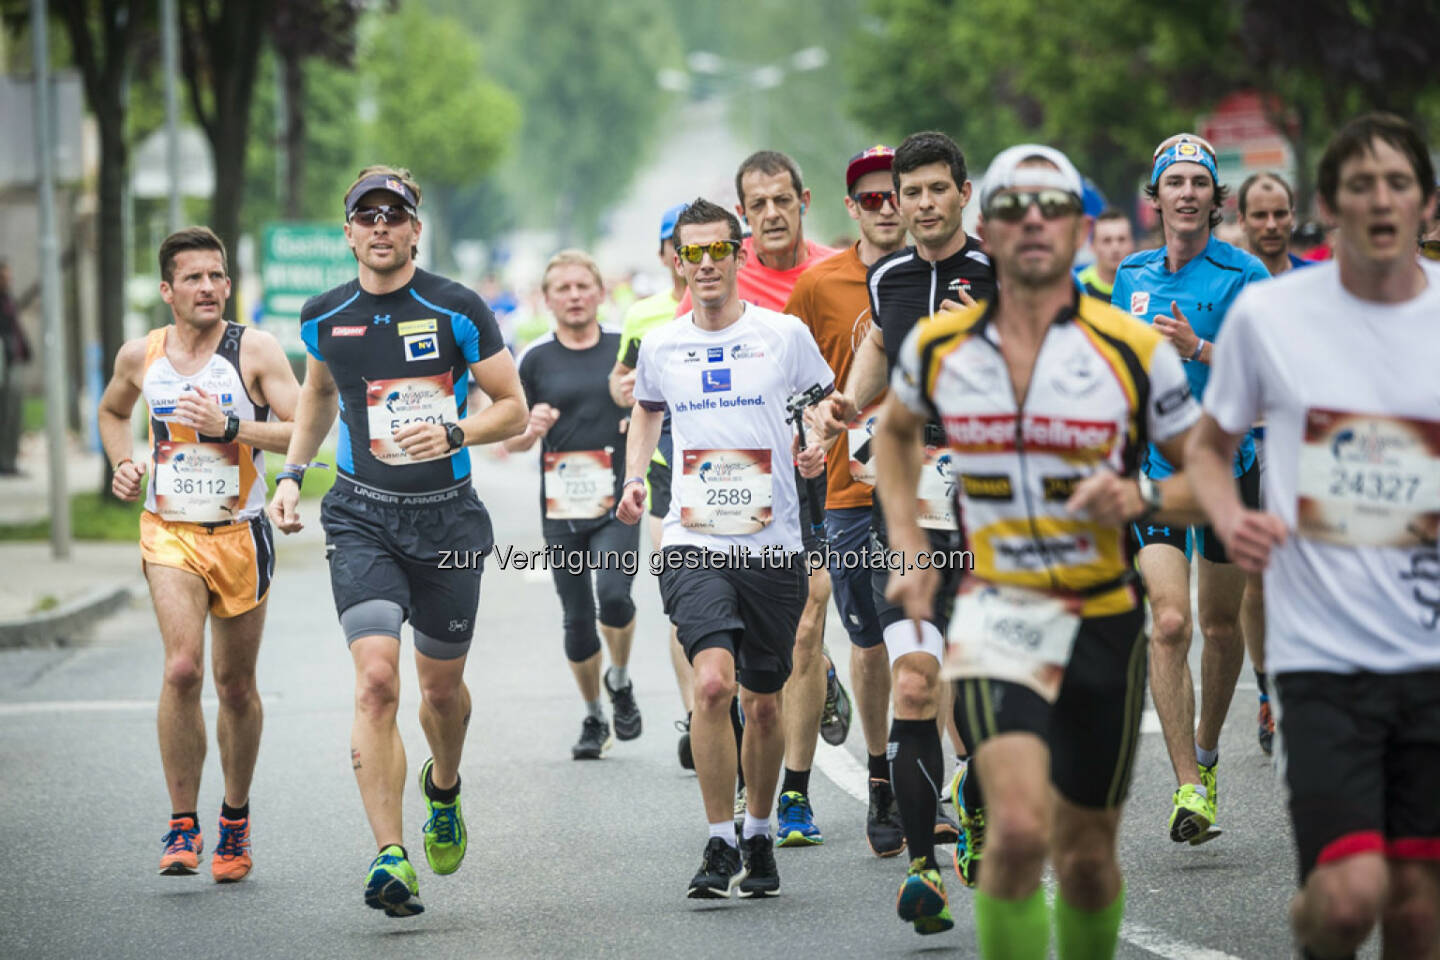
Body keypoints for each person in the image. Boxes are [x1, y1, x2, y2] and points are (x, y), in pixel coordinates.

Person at [881, 143, 1203, 959]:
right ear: (986, 226)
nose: (1033, 224)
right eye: (1014, 209)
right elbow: (892, 434)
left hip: (1102, 614)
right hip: (1003, 612)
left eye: (1051, 208)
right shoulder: (940, 347)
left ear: (1078, 226)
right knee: (1018, 835)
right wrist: (910, 544)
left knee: (1089, 860)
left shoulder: (1133, 348)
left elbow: (1211, 475)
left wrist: (1145, 497)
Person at [1187, 112, 1440, 960]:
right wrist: (1229, 516)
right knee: (1346, 899)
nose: (1381, 199)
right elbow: (1211, 448)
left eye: (1398, 183)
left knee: (1416, 911)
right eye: (1360, 184)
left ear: (1425, 203)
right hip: (1321, 658)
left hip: (1430, 653)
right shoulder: (1273, 318)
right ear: (1327, 206)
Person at [268, 166, 527, 917]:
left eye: (395, 214)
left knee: (440, 692)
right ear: (347, 231)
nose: (381, 226)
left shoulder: (456, 307)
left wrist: (456, 428)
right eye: (366, 215)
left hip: (447, 517)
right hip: (361, 516)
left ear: (416, 229)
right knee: (377, 679)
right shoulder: (325, 316)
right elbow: (317, 394)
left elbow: (511, 408)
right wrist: (290, 475)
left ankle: (442, 786)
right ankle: (390, 855)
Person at [617, 198, 832, 900]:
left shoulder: (784, 334)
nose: (706, 264)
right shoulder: (661, 344)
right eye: (693, 252)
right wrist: (632, 480)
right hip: (691, 535)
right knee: (712, 684)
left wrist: (818, 444)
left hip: (772, 542)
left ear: (738, 256)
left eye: (719, 251)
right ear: (678, 260)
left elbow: (822, 405)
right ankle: (718, 840)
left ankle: (760, 833)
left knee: (763, 702)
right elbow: (647, 409)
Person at [814, 130, 994, 928]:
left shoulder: (999, 277)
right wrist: (849, 404)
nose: (918, 204)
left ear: (962, 193)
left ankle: (981, 799)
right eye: (906, 192)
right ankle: (925, 870)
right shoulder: (886, 277)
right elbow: (881, 350)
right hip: (906, 516)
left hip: (987, 514)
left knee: (984, 694)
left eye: (932, 190)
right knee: (916, 683)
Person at [96, 226, 299, 883]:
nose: (208, 287)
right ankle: (182, 823)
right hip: (170, 531)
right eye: (193, 278)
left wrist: (232, 427)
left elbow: (305, 429)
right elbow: (110, 411)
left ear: (229, 286)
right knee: (182, 668)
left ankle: (233, 822)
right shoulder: (142, 356)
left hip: (240, 533)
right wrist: (123, 463)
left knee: (233, 686)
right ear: (167, 291)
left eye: (216, 276)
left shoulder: (255, 351)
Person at [679, 152, 853, 814]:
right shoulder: (721, 273)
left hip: (822, 467)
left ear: (803, 200)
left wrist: (826, 436)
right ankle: (807, 691)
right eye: (759, 205)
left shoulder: (834, 271)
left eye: (783, 200)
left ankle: (795, 792)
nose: (773, 214)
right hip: (742, 483)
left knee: (810, 617)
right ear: (743, 216)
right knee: (784, 634)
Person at [1109, 133, 1269, 846]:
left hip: (1230, 469)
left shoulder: (1244, 275)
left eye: (1198, 182)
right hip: (1155, 472)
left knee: (1220, 626)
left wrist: (1199, 350)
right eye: (1173, 182)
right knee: (1169, 623)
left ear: (1214, 197)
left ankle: (1207, 749)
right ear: (1156, 198)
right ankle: (1186, 787)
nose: (1186, 193)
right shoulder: (1131, 276)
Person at [780, 145, 907, 854]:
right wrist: (805, 446)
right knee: (871, 640)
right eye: (874, 198)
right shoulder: (819, 286)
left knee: (934, 632)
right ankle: (883, 778)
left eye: (899, 195)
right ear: (851, 208)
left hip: (935, 493)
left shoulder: (945, 276)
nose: (888, 208)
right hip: (848, 491)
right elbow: (799, 390)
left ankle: (943, 785)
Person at [509, 250, 640, 759]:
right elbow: (510, 439)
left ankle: (621, 680)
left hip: (617, 498)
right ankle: (593, 717)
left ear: (600, 292)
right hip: (562, 504)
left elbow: (656, 411)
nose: (574, 296)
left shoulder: (623, 349)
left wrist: (637, 421)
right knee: (577, 617)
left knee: (613, 596)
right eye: (562, 289)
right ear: (547, 300)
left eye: (583, 286)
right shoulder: (534, 359)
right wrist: (529, 428)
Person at [609, 203, 696, 768]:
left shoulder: (748, 305)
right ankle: (697, 716)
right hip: (667, 470)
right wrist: (636, 400)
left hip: (743, 468)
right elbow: (622, 380)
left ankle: (818, 670)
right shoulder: (644, 317)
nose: (689, 258)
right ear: (667, 253)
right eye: (678, 245)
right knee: (683, 598)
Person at [1236, 170, 1311, 754]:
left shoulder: (1320, 282)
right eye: (1258, 215)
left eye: (1279, 213)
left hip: (1309, 448)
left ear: (1293, 215)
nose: (1270, 225)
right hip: (1249, 448)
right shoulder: (1236, 283)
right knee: (1257, 580)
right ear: (1240, 219)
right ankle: (1267, 689)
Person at [0, 260, 30, 475]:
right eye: (4, 276)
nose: (8, 279)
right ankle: (5, 462)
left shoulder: (7, 299)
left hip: (13, 361)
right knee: (6, 413)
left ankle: (8, 461)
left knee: (13, 414)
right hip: (5, 363)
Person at [1077, 210, 1135, 301]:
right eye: (1107, 240)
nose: (1115, 248)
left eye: (1121, 239)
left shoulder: (1143, 286)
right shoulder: (1078, 289)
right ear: (1092, 246)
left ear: (1132, 243)